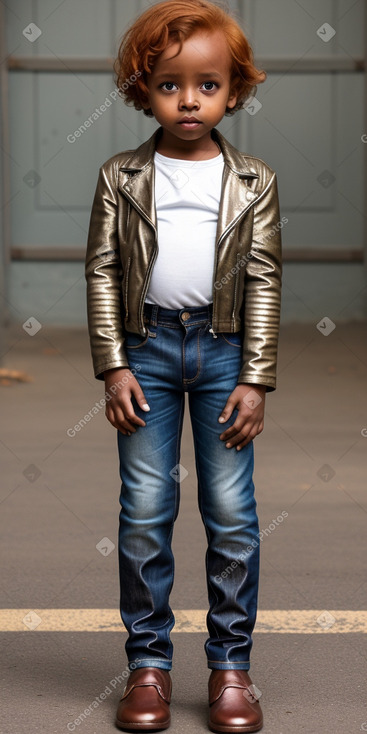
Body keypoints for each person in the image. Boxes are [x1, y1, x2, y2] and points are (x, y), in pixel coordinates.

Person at [85, 1, 282, 731]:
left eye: (207, 84)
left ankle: (231, 667)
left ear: (234, 91)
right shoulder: (122, 175)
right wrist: (113, 365)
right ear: (143, 90)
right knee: (144, 510)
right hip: (147, 355)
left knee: (231, 514)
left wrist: (254, 378)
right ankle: (148, 667)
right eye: (170, 84)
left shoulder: (254, 181)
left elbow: (262, 278)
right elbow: (102, 271)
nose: (189, 99)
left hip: (226, 353)